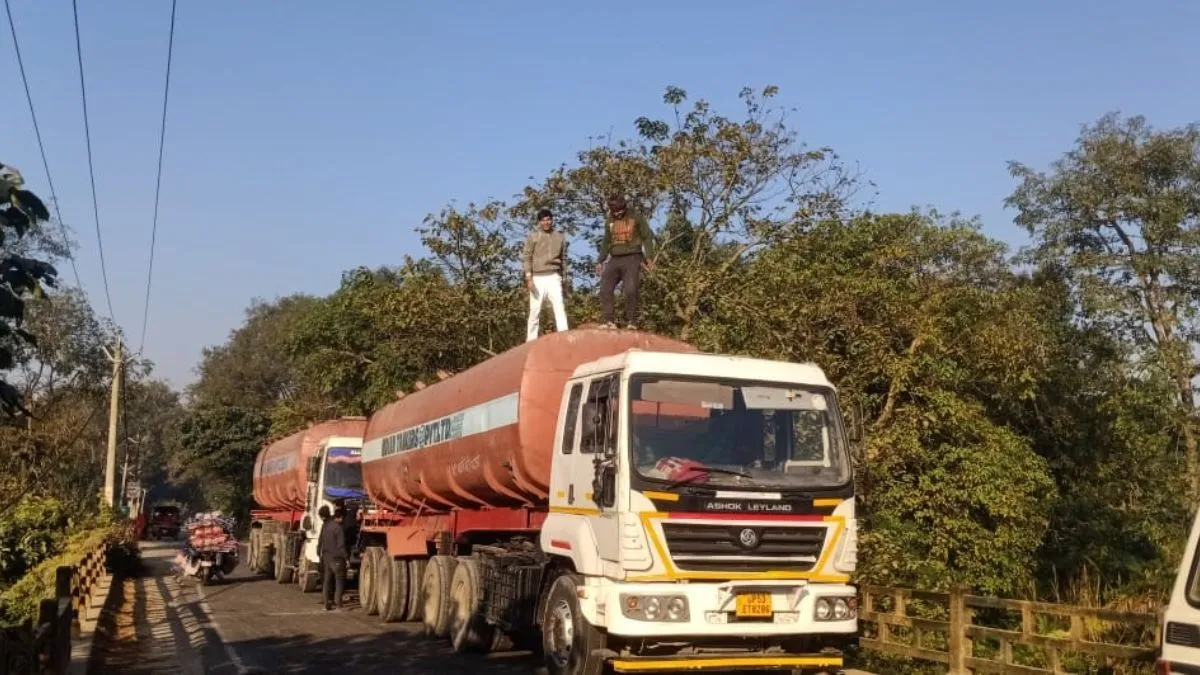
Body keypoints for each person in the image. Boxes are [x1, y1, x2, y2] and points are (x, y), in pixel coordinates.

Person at [595, 195, 655, 329]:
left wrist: (649, 257)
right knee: (605, 288)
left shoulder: (636, 217)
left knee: (630, 289)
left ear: (624, 207)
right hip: (615, 258)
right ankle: (609, 321)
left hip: (633, 257)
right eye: (614, 211)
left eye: (620, 210)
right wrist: (600, 260)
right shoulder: (609, 221)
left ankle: (632, 322)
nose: (617, 213)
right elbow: (606, 241)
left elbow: (647, 237)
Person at [522, 208, 569, 341]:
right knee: (535, 310)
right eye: (543, 220)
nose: (546, 222)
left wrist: (564, 278)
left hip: (554, 275)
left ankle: (564, 335)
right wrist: (528, 277)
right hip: (537, 276)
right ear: (539, 222)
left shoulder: (560, 237)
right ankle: (530, 340)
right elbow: (527, 257)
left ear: (552, 220)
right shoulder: (533, 237)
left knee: (559, 306)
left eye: (548, 219)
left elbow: (564, 259)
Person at [318, 507, 348, 610]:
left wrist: (319, 554)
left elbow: (320, 541)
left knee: (327, 581)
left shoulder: (325, 527)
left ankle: (326, 603)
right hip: (337, 558)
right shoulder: (338, 528)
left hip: (326, 557)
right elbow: (341, 545)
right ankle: (338, 603)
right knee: (339, 581)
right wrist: (346, 558)